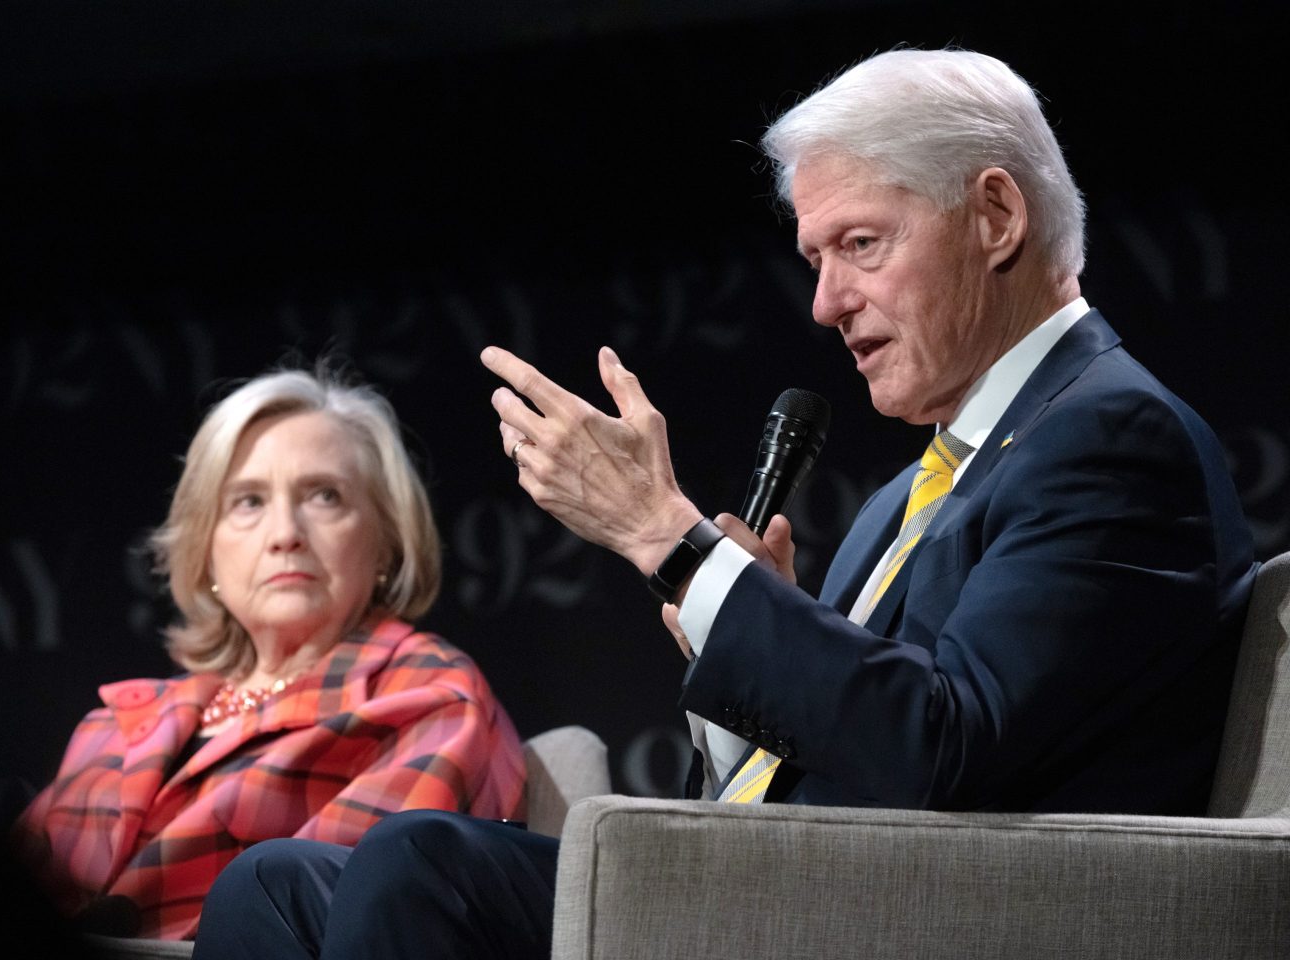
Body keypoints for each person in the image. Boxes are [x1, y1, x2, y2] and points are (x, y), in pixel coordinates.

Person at [190, 49, 1256, 959]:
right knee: (271, 889)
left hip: (908, 920)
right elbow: (832, 762)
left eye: (861, 245)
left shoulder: (1111, 438)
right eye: (815, 257)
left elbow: (946, 749)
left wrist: (674, 540)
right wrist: (767, 642)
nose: (826, 301)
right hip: (783, 888)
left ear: (995, 214)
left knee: (422, 864)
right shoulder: (905, 501)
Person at [11, 367, 526, 941]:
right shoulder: (120, 722)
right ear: (207, 552)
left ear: (387, 541)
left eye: (324, 496)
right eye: (248, 501)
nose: (285, 532)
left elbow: (323, 907)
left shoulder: (426, 692)